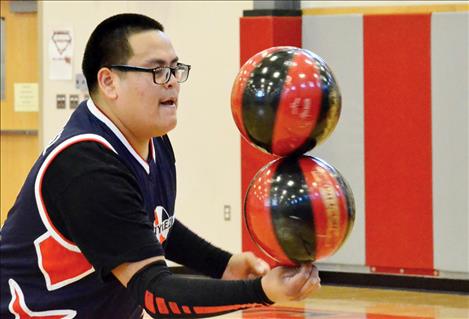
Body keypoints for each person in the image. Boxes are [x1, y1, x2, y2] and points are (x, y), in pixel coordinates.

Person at [0, 13, 320, 318]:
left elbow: (150, 224)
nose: (172, 83)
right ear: (109, 82)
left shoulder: (152, 141)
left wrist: (222, 264)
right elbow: (156, 296)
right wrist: (260, 291)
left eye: (175, 69)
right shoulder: (86, 167)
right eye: (157, 71)